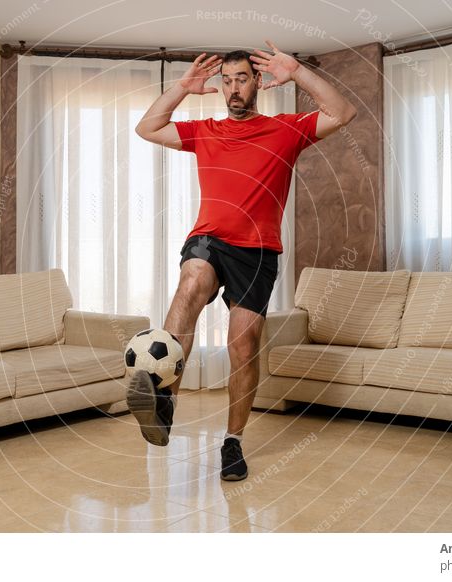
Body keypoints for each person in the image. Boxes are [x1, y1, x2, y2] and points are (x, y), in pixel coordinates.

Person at [128, 40, 357, 481]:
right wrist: (181, 87)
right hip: (210, 239)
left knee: (243, 348)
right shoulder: (205, 131)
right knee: (192, 282)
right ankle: (162, 400)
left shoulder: (286, 130)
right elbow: (148, 127)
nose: (233, 88)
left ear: (258, 84)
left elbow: (342, 113)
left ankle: (232, 443)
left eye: (241, 79)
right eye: (226, 81)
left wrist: (299, 72)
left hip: (258, 253)